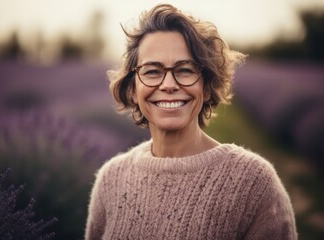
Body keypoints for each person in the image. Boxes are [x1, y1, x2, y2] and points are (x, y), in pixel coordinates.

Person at [85, 4, 297, 240]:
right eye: (152, 71)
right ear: (133, 89)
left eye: (185, 70)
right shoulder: (110, 179)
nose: (168, 84)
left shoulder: (254, 184)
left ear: (206, 87)